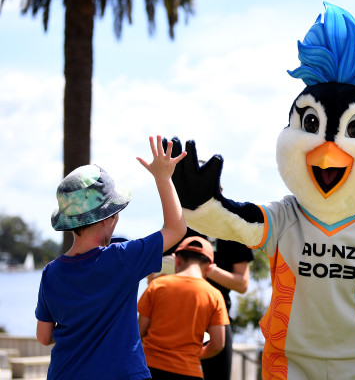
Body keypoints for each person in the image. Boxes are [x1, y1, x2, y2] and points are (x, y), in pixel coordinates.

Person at [35, 135, 187, 380]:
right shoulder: (123, 259)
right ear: (110, 218)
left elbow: (44, 336)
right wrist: (163, 178)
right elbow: (176, 229)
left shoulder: (51, 273)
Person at [138, 236, 230, 380]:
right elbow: (218, 344)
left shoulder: (158, 285)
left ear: (177, 260)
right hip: (189, 370)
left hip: (150, 367)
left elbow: (139, 332)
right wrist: (197, 354)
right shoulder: (215, 295)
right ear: (209, 268)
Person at [199, 234, 254, 380]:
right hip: (175, 319)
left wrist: (207, 270)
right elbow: (155, 275)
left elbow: (242, 284)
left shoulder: (230, 227)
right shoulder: (180, 221)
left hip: (216, 320)